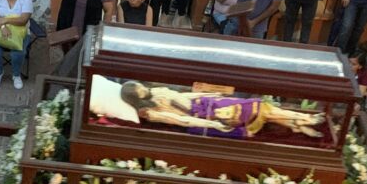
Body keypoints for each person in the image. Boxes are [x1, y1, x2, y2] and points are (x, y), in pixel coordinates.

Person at [120, 81, 325, 139]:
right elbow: (181, 121)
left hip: (208, 103)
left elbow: (184, 96)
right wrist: (211, 125)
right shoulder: (150, 112)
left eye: (140, 86)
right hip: (204, 116)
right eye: (139, 91)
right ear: (135, 98)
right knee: (262, 110)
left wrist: (211, 95)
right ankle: (305, 119)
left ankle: (298, 124)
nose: (143, 89)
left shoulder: (155, 91)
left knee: (262, 109)